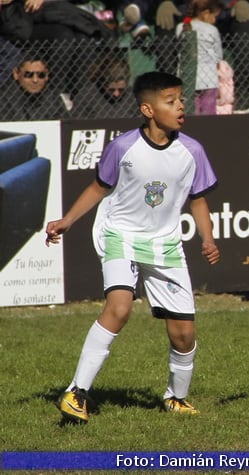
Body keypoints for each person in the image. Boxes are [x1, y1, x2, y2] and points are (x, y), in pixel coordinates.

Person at [46, 71, 220, 424]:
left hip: (166, 243)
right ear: (148, 109)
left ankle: (177, 398)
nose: (181, 107)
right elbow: (99, 187)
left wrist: (208, 238)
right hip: (120, 235)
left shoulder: (193, 151)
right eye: (170, 102)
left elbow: (197, 199)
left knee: (184, 333)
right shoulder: (123, 147)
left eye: (182, 100)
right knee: (120, 307)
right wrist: (67, 220)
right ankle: (76, 393)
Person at [176, 0, 224, 115]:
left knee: (190, 114)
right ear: (206, 13)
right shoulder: (212, 30)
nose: (215, 20)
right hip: (209, 80)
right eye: (214, 16)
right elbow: (218, 57)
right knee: (208, 115)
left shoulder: (181, 27)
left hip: (186, 78)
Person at [1, 54, 70, 120]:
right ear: (16, 74)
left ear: (47, 75)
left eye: (41, 75)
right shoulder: (4, 99)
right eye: (28, 75)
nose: (35, 80)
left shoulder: (52, 97)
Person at [72, 54, 136, 119]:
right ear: (103, 84)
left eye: (121, 89)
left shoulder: (134, 96)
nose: (116, 94)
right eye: (111, 90)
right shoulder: (86, 95)